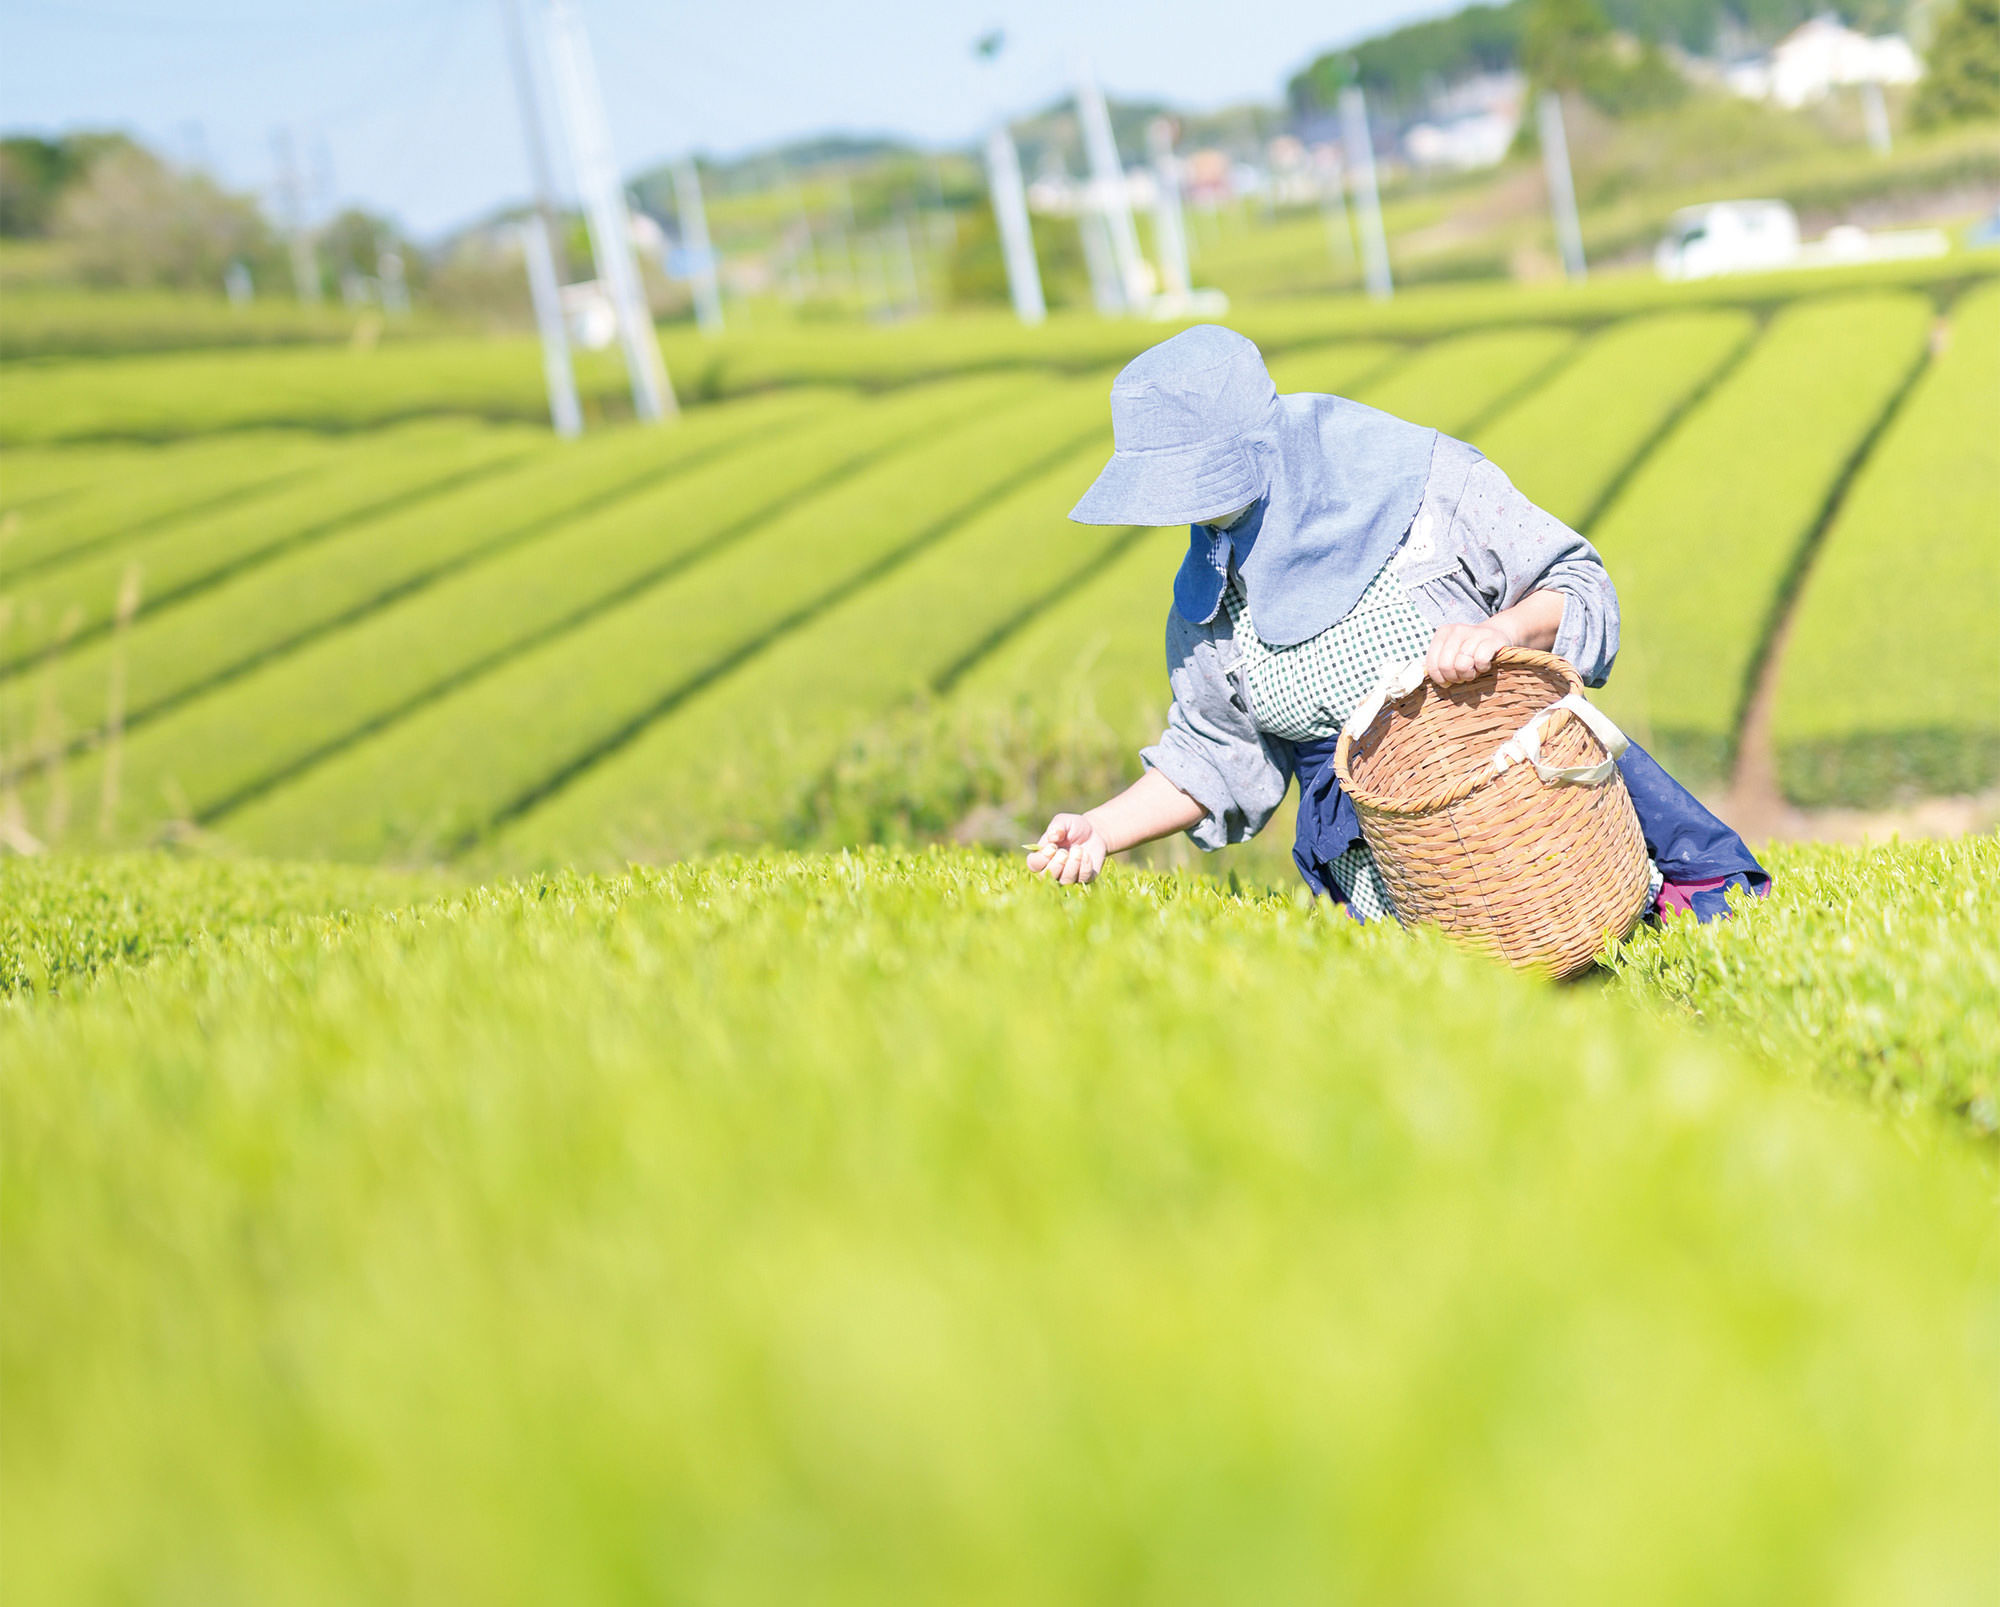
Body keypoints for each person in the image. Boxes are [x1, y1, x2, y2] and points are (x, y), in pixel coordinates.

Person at [1027, 324, 1767, 923]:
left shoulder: (1425, 486)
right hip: (1394, 888)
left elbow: (1580, 590)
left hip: (1547, 828)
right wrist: (1101, 829)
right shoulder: (1212, 592)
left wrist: (1503, 632)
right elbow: (1216, 756)